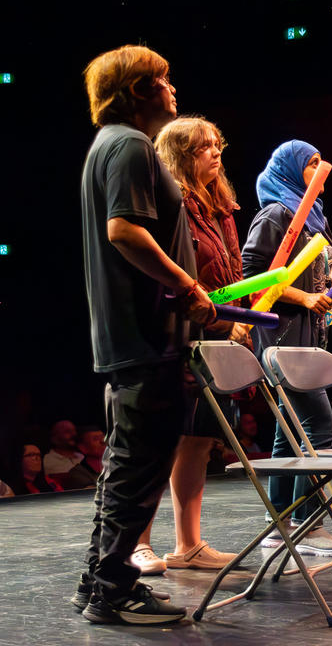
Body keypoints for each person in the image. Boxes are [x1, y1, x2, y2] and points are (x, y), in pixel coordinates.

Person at [75, 44, 214, 625]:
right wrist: (187, 286)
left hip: (137, 339)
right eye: (162, 78)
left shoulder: (110, 145)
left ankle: (101, 582)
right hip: (146, 336)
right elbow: (124, 231)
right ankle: (111, 591)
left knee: (129, 465)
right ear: (137, 90)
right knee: (138, 466)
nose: (172, 88)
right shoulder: (130, 144)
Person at [126, 116, 245, 575]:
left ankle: (188, 544)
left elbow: (229, 274)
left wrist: (236, 319)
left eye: (218, 144)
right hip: (177, 332)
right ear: (179, 154)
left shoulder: (221, 206)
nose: (215, 153)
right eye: (203, 147)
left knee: (198, 440)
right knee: (163, 440)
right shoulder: (169, 202)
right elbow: (162, 270)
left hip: (217, 333)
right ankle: (138, 542)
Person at [241, 140, 332, 555]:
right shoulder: (277, 214)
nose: (320, 169)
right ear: (290, 169)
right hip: (283, 335)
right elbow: (252, 273)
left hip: (311, 337)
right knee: (319, 427)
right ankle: (307, 520)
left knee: (291, 429)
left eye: (322, 161)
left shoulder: (313, 218)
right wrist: (303, 299)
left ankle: (279, 520)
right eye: (311, 163)